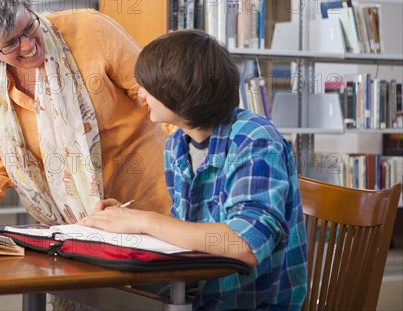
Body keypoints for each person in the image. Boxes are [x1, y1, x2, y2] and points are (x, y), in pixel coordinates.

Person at [80, 30, 307, 310]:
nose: (140, 93)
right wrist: (124, 222)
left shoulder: (254, 138)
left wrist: (144, 221)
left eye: (147, 86)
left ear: (178, 91)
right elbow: (188, 234)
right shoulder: (176, 144)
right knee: (100, 298)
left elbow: (245, 245)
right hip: (196, 296)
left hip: (250, 303)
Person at [0, 0, 171, 230]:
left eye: (28, 27)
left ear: (29, 9)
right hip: (77, 225)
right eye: (11, 43)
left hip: (152, 202)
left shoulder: (92, 29)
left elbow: (160, 97)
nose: (28, 45)